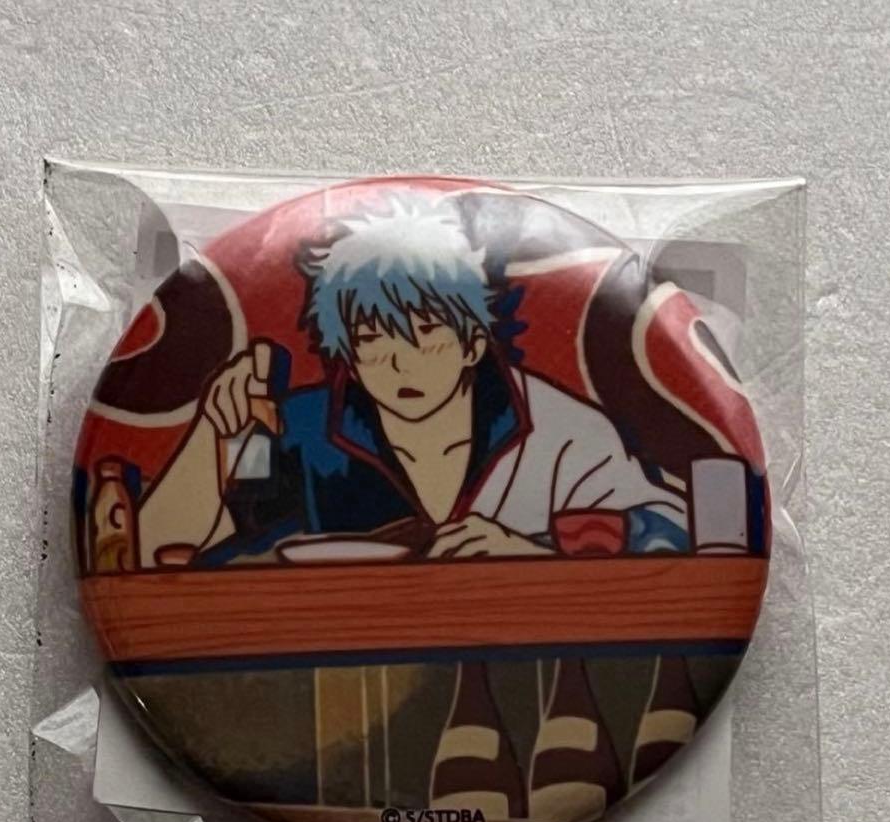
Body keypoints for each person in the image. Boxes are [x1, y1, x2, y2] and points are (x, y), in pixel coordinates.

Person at [137, 197, 687, 567]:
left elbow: (670, 532)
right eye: (372, 339)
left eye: (426, 335)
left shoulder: (556, 429)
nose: (401, 364)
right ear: (348, 354)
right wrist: (213, 432)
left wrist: (536, 552)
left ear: (473, 342)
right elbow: (162, 549)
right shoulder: (301, 432)